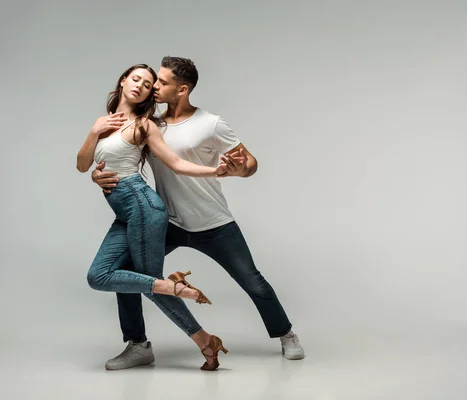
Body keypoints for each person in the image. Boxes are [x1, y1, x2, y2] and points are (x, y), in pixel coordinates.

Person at [91, 56, 305, 371]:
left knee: (252, 280)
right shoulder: (153, 123)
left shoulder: (210, 123)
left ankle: (285, 333)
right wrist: (99, 176)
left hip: (213, 223)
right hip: (169, 222)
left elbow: (250, 163)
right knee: (128, 272)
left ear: (182, 89)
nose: (155, 86)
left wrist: (237, 171)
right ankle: (137, 344)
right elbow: (122, 157)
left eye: (162, 82)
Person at [77, 63, 231, 371]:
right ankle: (196, 339)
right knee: (125, 278)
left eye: (148, 85)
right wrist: (94, 134)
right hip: (126, 215)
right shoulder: (104, 123)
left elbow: (175, 162)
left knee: (126, 279)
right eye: (135, 79)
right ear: (123, 81)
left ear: (150, 94)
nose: (140, 86)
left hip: (143, 208)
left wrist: (215, 170)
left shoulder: (144, 125)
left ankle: (151, 331)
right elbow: (82, 165)